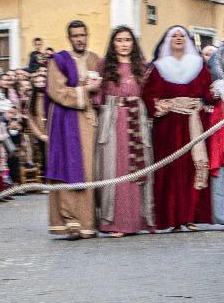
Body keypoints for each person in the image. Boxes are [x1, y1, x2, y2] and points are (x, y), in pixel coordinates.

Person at [142, 26, 214, 231]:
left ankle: (190, 216)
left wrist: (206, 99)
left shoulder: (199, 65)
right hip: (167, 127)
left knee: (192, 168)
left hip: (193, 124)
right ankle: (171, 217)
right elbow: (147, 95)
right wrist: (161, 106)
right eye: (173, 35)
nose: (178, 38)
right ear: (167, 41)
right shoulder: (159, 68)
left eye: (182, 35)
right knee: (169, 169)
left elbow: (207, 92)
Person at [44, 23, 102, 238]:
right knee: (68, 169)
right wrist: (86, 89)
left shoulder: (95, 59)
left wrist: (97, 93)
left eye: (83, 35)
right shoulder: (58, 61)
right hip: (66, 123)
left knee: (90, 171)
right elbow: (56, 90)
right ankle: (71, 222)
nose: (80, 39)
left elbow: (103, 89)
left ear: (88, 35)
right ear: (69, 38)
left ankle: (89, 222)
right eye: (75, 36)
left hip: (91, 120)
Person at [93, 27, 154, 236]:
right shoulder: (104, 66)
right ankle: (115, 223)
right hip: (114, 121)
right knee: (115, 167)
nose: (124, 44)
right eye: (119, 40)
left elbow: (150, 92)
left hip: (136, 119)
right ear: (113, 43)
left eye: (128, 40)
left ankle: (135, 221)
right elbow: (98, 95)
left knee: (135, 169)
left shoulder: (141, 66)